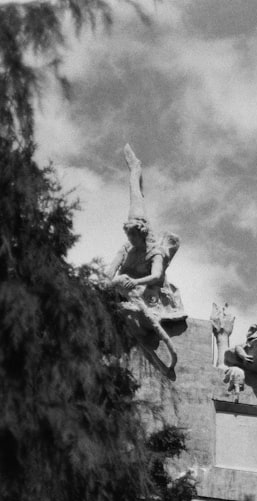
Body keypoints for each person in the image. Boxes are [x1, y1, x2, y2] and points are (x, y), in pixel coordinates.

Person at [107, 145, 184, 373]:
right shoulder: (125, 248)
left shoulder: (154, 251)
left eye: (133, 235)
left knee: (137, 201)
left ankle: (135, 170)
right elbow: (108, 273)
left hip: (147, 291)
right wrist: (113, 283)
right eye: (128, 235)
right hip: (124, 290)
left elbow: (157, 275)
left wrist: (135, 283)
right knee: (135, 198)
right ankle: (135, 171)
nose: (130, 239)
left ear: (142, 234)